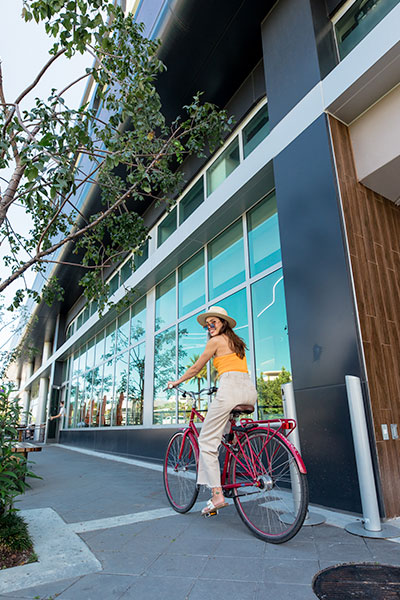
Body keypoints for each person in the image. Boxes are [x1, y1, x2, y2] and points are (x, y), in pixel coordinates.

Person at [168, 306, 257, 516]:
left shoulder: (215, 341)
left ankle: (217, 495)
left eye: (213, 322)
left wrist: (177, 381)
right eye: (207, 325)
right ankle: (234, 443)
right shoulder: (237, 343)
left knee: (206, 442)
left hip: (230, 390)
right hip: (249, 392)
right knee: (223, 430)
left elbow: (196, 368)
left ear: (223, 323)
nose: (209, 327)